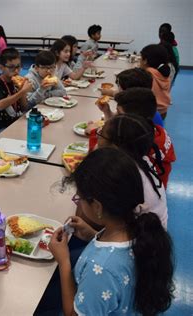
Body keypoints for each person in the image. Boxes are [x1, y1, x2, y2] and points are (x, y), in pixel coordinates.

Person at [48, 147, 174, 315]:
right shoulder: (137, 226)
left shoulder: (100, 268)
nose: (78, 203)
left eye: (80, 198)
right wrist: (92, 234)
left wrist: (63, 262)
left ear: (98, 207)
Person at [96, 114, 169, 229]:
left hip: (142, 240)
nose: (97, 136)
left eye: (100, 134)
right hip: (149, 233)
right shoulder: (141, 159)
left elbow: (97, 213)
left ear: (115, 147)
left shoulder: (121, 179)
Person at [95, 67, 164, 126]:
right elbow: (115, 120)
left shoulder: (134, 117)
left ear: (129, 93)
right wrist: (107, 111)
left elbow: (110, 134)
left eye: (119, 87)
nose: (116, 91)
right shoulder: (141, 106)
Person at [0, 48, 31, 134]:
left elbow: (24, 107)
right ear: (1, 67)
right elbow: (0, 105)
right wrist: (22, 92)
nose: (16, 71)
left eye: (18, 66)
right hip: (1, 127)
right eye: (11, 67)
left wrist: (23, 91)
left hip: (17, 121)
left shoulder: (17, 81)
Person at [140, 44, 171, 119]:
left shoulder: (147, 75)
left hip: (150, 113)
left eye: (140, 58)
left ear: (145, 61)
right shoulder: (163, 73)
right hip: (162, 112)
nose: (139, 61)